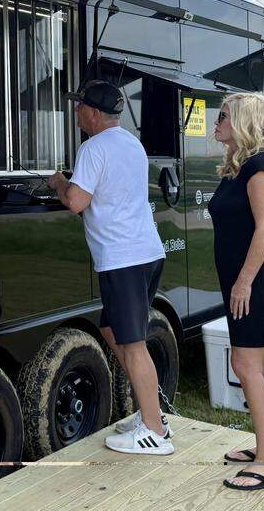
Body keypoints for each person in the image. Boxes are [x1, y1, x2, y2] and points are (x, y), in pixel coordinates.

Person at [48, 80, 172, 455]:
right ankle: (150, 411)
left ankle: (155, 429)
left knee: (134, 346)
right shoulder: (132, 144)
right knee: (110, 327)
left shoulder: (93, 147)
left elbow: (75, 201)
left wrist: (58, 182)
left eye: (79, 106)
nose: (75, 112)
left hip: (123, 259)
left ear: (94, 113)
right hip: (147, 253)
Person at [208, 92, 264, 491]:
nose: (216, 120)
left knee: (245, 365)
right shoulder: (238, 167)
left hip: (256, 280)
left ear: (241, 120)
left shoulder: (260, 166)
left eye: (223, 115)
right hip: (246, 280)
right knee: (259, 366)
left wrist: (244, 282)